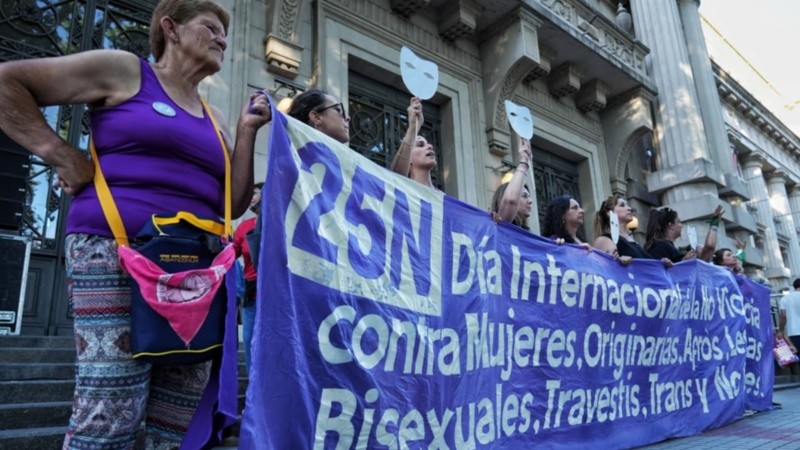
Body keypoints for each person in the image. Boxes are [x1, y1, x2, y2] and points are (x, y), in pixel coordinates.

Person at [0, 0, 270, 446]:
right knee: (111, 408)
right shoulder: (127, 71)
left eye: (226, 33)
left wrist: (246, 133)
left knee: (177, 417)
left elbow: (235, 202)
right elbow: (8, 82)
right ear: (171, 29)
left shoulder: (215, 117)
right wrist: (61, 155)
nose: (223, 39)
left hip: (196, 270)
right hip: (115, 250)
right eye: (211, 27)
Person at [247, 88, 351, 269]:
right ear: (316, 117)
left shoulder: (347, 173)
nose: (347, 117)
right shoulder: (290, 166)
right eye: (338, 110)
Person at [234, 182, 262, 373]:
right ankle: (253, 384)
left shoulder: (282, 224)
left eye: (255, 193)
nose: (250, 198)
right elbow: (230, 254)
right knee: (250, 338)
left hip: (277, 295)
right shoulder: (244, 227)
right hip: (252, 294)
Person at [645, 205, 723, 263]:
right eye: (679, 222)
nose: (682, 226)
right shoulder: (660, 246)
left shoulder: (666, 246)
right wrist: (683, 262)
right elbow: (658, 272)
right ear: (670, 225)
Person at [390, 96, 437, 188]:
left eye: (427, 144)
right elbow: (395, 177)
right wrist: (413, 127)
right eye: (420, 145)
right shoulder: (404, 189)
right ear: (409, 159)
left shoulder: (443, 196)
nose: (430, 146)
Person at [491, 137, 533, 230]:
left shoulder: (527, 232)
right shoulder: (501, 224)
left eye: (528, 196)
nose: (530, 201)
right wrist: (524, 162)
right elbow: (510, 201)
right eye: (524, 196)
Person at [778, 279, 800, 375]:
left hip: (794, 332)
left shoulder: (785, 299)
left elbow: (783, 316)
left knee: (797, 356)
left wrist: (781, 330)